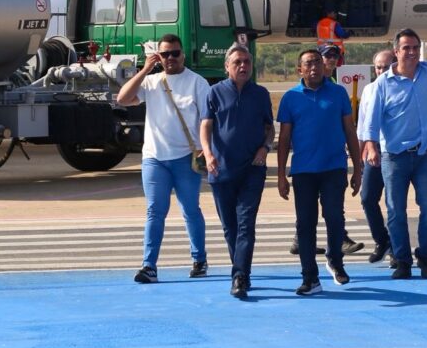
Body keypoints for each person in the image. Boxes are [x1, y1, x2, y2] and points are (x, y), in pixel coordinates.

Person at [116, 33, 210, 284]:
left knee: (190, 209)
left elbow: (206, 120)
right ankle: (149, 265)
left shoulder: (197, 83)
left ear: (183, 54)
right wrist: (145, 68)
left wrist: (206, 151)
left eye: (175, 53)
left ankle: (199, 258)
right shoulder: (152, 81)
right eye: (165, 54)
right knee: (155, 211)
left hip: (185, 158)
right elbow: (123, 98)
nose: (170, 59)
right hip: (155, 158)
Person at [360, 28, 427, 279]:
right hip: (394, 156)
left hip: (424, 154)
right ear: (396, 52)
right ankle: (402, 260)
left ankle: (425, 255)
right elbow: (371, 120)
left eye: (415, 48)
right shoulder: (382, 84)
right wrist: (370, 146)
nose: (411, 52)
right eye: (406, 48)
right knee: (396, 210)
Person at [277, 49, 363, 296]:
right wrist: (281, 175)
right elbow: (284, 139)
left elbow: (349, 130)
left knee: (335, 218)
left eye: (317, 62)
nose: (313, 67)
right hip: (303, 171)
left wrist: (358, 169)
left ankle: (335, 259)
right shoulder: (290, 98)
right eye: (308, 64)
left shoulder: (338, 93)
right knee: (305, 224)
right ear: (299, 70)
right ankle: (310, 277)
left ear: (324, 67)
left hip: (334, 167)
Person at [199, 43, 273, 299]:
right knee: (230, 228)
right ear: (227, 67)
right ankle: (240, 269)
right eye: (237, 62)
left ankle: (240, 275)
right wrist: (208, 154)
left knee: (245, 225)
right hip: (221, 170)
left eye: (247, 62)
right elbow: (206, 126)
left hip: (252, 170)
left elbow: (269, 128)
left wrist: (265, 147)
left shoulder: (261, 94)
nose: (243, 66)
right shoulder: (214, 93)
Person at [357, 49, 396, 264]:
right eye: (378, 67)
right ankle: (382, 240)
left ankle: (396, 251)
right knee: (368, 198)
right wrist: (359, 154)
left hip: (394, 151)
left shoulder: (402, 86)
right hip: (373, 152)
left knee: (393, 202)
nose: (381, 70)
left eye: (386, 66)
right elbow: (363, 125)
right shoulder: (370, 90)